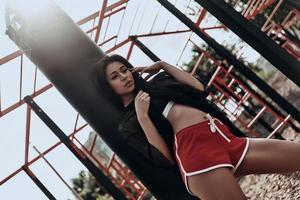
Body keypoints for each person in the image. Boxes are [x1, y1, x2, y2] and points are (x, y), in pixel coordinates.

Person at [94, 54, 300, 200]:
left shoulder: (156, 84)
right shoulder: (129, 122)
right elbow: (164, 158)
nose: (124, 77)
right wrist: (143, 117)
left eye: (124, 70)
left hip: (223, 138)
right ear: (107, 87)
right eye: (115, 77)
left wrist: (164, 65)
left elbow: (198, 88)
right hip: (197, 158)